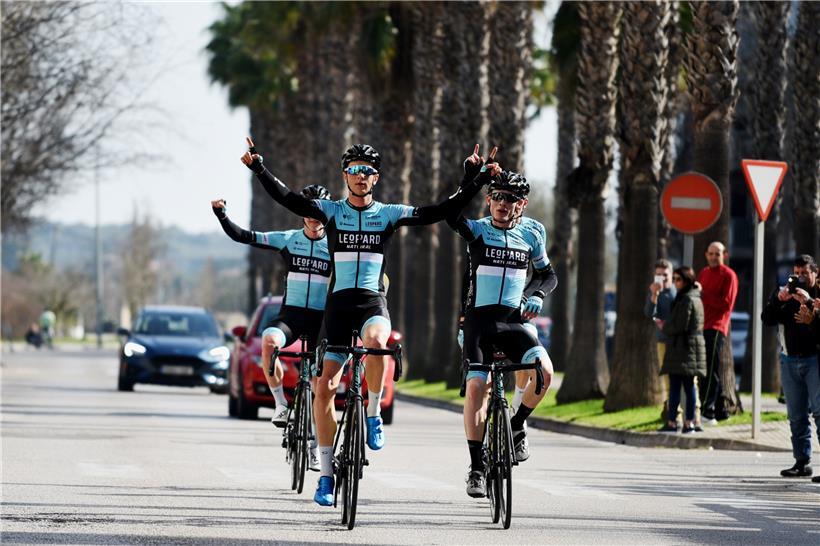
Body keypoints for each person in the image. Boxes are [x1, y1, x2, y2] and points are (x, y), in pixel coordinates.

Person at [241, 138, 494, 506]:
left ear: (376, 178)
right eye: (355, 170)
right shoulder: (329, 211)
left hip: (371, 302)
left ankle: (373, 412)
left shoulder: (388, 213)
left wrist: (474, 178)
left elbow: (441, 210)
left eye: (368, 171)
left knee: (378, 342)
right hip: (338, 307)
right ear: (346, 175)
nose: (361, 176)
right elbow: (288, 199)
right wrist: (259, 167)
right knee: (324, 388)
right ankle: (326, 476)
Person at [448, 167, 556, 498]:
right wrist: (473, 178)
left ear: (521, 205)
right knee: (478, 386)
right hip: (479, 322)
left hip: (514, 321)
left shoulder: (533, 233)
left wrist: (536, 294)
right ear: (488, 200)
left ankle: (517, 423)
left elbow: (547, 275)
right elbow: (450, 212)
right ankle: (477, 468)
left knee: (544, 372)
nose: (502, 205)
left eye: (510, 200)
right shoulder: (477, 230)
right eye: (496, 198)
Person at [211, 185, 332, 470]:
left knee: (318, 385)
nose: (313, 217)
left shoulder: (336, 245)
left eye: (318, 211)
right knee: (268, 340)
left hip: (320, 321)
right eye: (307, 210)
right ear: (300, 213)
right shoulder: (288, 240)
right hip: (290, 316)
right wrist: (222, 216)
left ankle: (315, 446)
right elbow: (245, 236)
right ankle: (280, 404)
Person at [762, 254, 820, 480]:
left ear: (815, 273)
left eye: (805, 273)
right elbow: (766, 318)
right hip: (789, 360)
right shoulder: (784, 292)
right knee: (796, 416)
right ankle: (802, 461)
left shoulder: (815, 295)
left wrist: (808, 303)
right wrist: (779, 299)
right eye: (797, 273)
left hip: (814, 360)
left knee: (819, 413)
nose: (801, 278)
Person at [655, 267, 706, 433]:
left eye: (678, 279)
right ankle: (673, 421)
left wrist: (664, 326)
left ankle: (688, 422)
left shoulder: (688, 299)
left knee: (688, 386)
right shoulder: (686, 297)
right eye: (675, 278)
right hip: (682, 348)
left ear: (687, 280)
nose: (675, 282)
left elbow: (680, 325)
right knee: (676, 386)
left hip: (686, 348)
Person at [696, 241, 738, 424]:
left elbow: (727, 304)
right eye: (711, 253)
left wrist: (704, 295)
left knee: (710, 369)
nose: (714, 257)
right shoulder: (704, 273)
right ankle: (721, 411)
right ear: (706, 255)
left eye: (717, 254)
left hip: (716, 327)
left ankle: (708, 411)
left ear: (724, 255)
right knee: (709, 368)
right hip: (701, 326)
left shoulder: (729, 275)